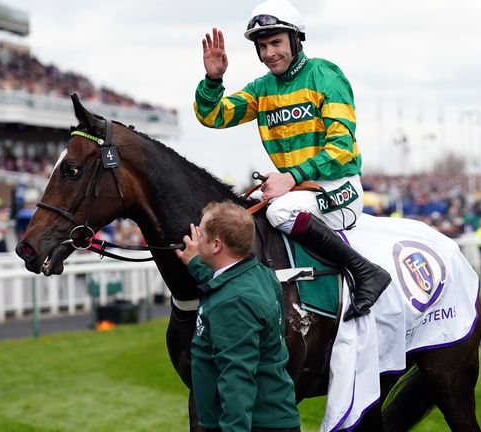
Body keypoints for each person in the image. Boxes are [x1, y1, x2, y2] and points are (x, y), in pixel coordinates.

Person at [194, 0, 390, 320]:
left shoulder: (324, 75)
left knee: (281, 210)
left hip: (339, 187)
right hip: (297, 188)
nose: (269, 53)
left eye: (276, 43)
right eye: (262, 46)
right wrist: (213, 80)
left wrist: (292, 177)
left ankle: (366, 271)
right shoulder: (262, 89)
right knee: (236, 211)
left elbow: (341, 147)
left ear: (296, 40)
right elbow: (213, 116)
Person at [175, 201, 300, 432]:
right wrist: (194, 263)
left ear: (216, 245)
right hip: (270, 418)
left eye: (200, 234)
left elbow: (237, 380)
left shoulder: (234, 303)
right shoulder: (261, 274)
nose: (195, 240)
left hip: (251, 425)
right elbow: (225, 282)